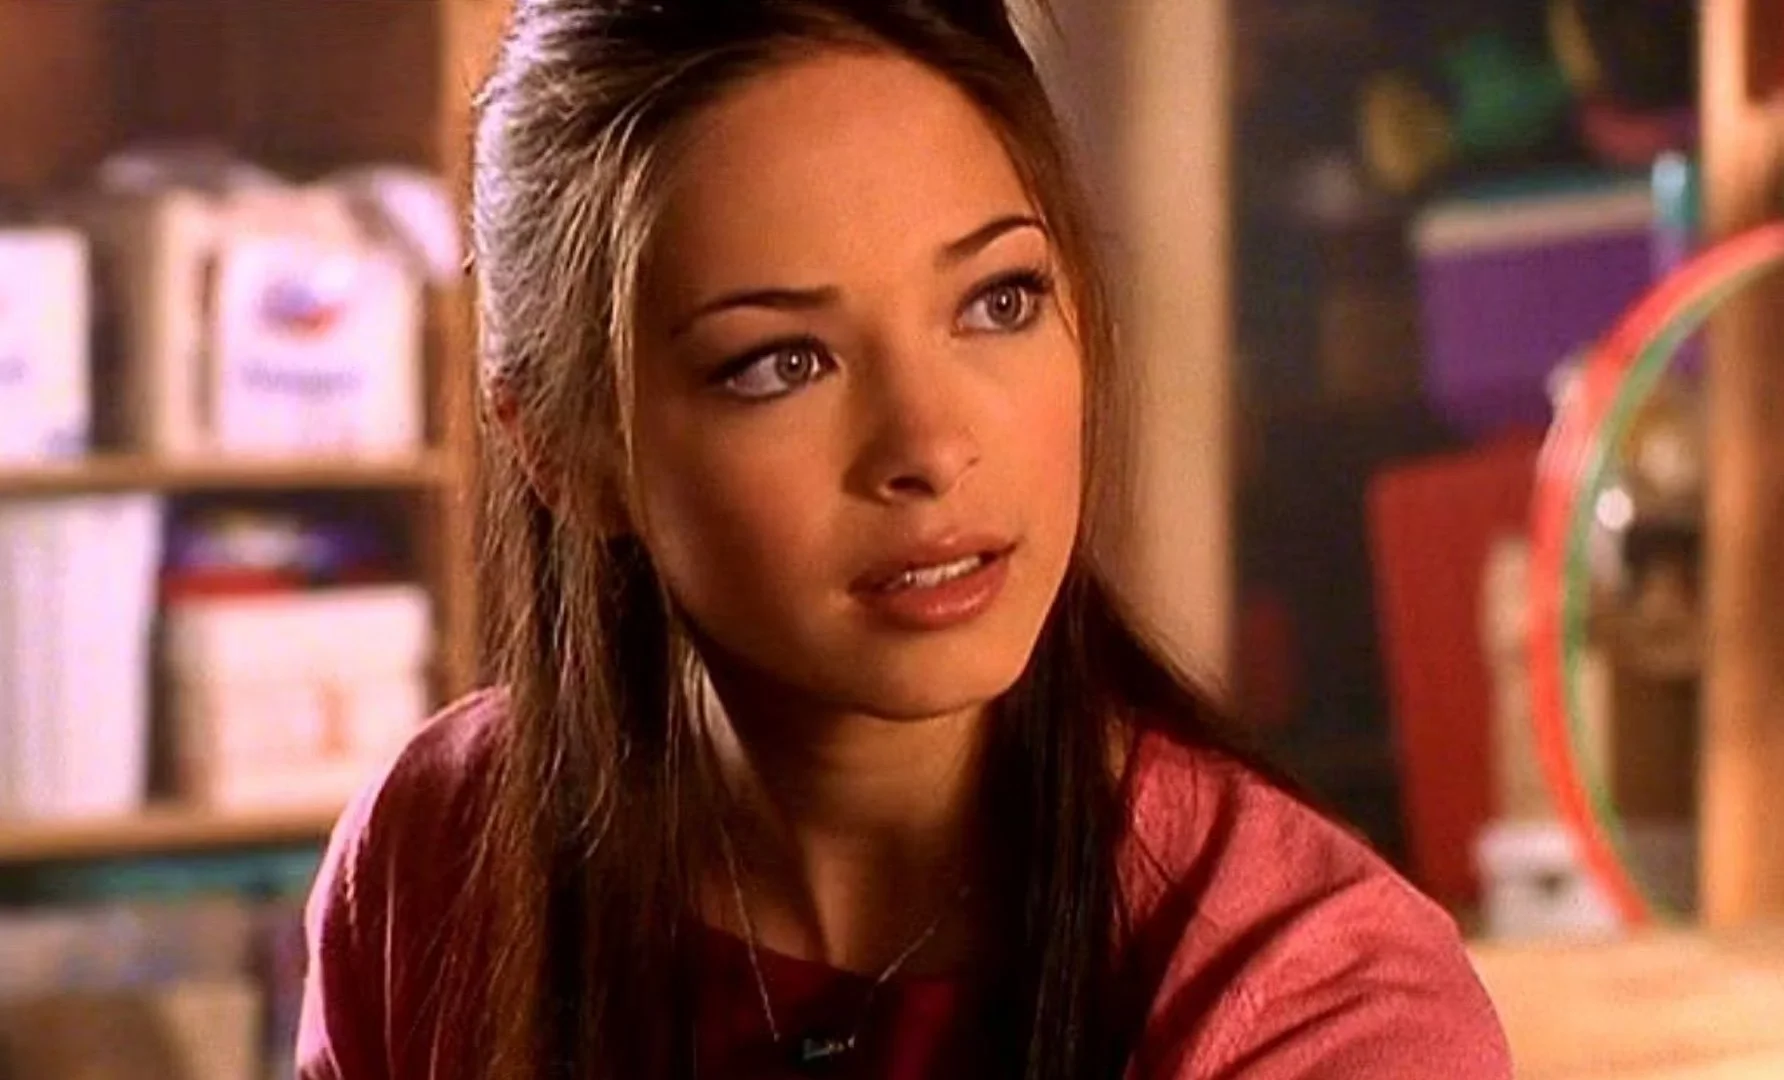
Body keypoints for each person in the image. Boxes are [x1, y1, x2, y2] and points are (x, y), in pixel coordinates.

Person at [297, 1, 1512, 1076]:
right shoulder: (439, 855)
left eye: (999, 300)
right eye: (780, 362)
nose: (930, 447)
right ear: (563, 447)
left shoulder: (1315, 1000)